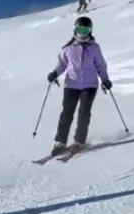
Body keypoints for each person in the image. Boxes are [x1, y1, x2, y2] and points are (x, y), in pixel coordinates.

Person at [46, 16, 112, 157]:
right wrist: (54, 74)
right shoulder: (68, 48)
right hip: (71, 85)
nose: (82, 33)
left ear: (90, 30)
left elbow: (100, 65)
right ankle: (60, 142)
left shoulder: (94, 48)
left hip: (89, 85)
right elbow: (62, 65)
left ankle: (79, 140)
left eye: (85, 30)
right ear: (75, 29)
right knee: (67, 113)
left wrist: (105, 80)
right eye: (80, 29)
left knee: (84, 113)